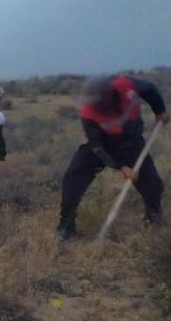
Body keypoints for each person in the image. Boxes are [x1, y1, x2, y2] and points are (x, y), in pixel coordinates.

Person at [57, 75, 169, 240]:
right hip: (103, 147)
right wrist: (122, 167)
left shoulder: (127, 85)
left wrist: (159, 111)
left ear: (108, 94)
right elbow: (97, 147)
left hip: (133, 145)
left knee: (153, 185)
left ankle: (153, 223)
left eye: (97, 101)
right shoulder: (88, 113)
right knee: (73, 177)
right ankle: (66, 227)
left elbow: (150, 89)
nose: (94, 104)